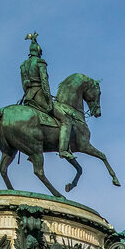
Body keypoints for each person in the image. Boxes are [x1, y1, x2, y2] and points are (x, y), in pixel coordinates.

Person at [20, 32, 74, 160]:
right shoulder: (40, 62)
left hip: (28, 98)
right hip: (40, 96)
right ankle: (63, 150)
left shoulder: (23, 65)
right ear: (38, 51)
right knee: (66, 120)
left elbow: (23, 83)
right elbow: (44, 82)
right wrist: (48, 98)